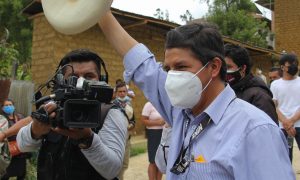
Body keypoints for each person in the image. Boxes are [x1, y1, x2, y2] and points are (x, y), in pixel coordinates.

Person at [98, 10, 295, 179]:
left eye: (181, 67)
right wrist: (99, 12)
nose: (173, 76)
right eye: (169, 69)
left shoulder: (254, 131)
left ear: (214, 67)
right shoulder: (180, 110)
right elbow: (141, 64)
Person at [17, 49, 128, 180]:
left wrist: (87, 140)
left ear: (101, 79)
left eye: (88, 76)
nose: (80, 82)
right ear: (62, 79)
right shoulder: (53, 107)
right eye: (73, 77)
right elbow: (22, 145)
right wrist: (34, 131)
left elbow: (112, 169)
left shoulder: (111, 112)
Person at [224, 44, 278, 124]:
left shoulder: (259, 97)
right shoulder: (228, 90)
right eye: (222, 67)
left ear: (242, 68)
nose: (224, 71)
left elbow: (268, 131)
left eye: (228, 67)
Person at [270, 53, 300, 163]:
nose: (294, 66)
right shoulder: (275, 85)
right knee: (285, 159)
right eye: (290, 64)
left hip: (298, 124)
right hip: (282, 127)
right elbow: (274, 106)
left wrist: (290, 121)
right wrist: (286, 123)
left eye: (296, 64)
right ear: (282, 67)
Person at [0, 99, 29, 180]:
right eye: (6, 105)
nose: (9, 107)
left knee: (21, 172)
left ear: (13, 106)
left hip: (20, 150)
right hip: (9, 151)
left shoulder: (20, 117)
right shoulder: (2, 119)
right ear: (2, 108)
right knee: (6, 174)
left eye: (10, 105)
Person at [112, 82, 135, 180]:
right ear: (116, 92)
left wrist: (131, 125)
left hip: (127, 138)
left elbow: (133, 120)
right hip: (116, 139)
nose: (122, 93)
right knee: (116, 164)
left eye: (124, 91)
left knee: (125, 164)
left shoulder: (129, 103)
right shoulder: (112, 105)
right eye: (120, 91)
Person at [141, 102, 164, 180]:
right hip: (153, 134)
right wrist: (158, 122)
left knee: (161, 161)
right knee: (153, 161)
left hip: (164, 133)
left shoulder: (164, 103)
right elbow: (143, 120)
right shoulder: (149, 104)